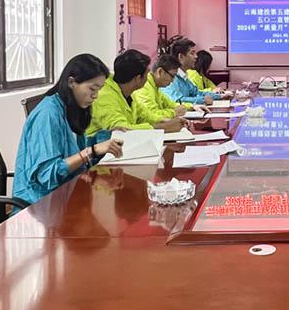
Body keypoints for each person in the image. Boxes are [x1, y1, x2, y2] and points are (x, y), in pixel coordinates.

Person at [13, 54, 124, 205]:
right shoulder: (48, 114)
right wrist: (92, 151)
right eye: (92, 89)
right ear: (71, 82)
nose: (95, 96)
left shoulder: (71, 107)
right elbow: (47, 175)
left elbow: (74, 149)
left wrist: (106, 138)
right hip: (40, 204)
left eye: (99, 89)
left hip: (67, 193)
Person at [87, 49, 186, 136]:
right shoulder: (105, 96)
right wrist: (162, 127)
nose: (149, 76)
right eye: (147, 73)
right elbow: (121, 130)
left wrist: (166, 121)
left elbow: (145, 116)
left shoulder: (128, 93)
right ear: (138, 78)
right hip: (99, 149)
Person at [161, 38, 225, 105]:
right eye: (192, 53)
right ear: (181, 57)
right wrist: (203, 100)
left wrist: (220, 96)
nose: (196, 56)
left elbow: (197, 93)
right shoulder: (170, 77)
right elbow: (177, 100)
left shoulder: (184, 76)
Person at [133, 54, 193, 120]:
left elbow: (170, 104)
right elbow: (152, 114)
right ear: (160, 71)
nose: (173, 81)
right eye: (172, 76)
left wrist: (190, 106)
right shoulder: (145, 86)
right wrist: (173, 112)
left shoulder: (156, 86)